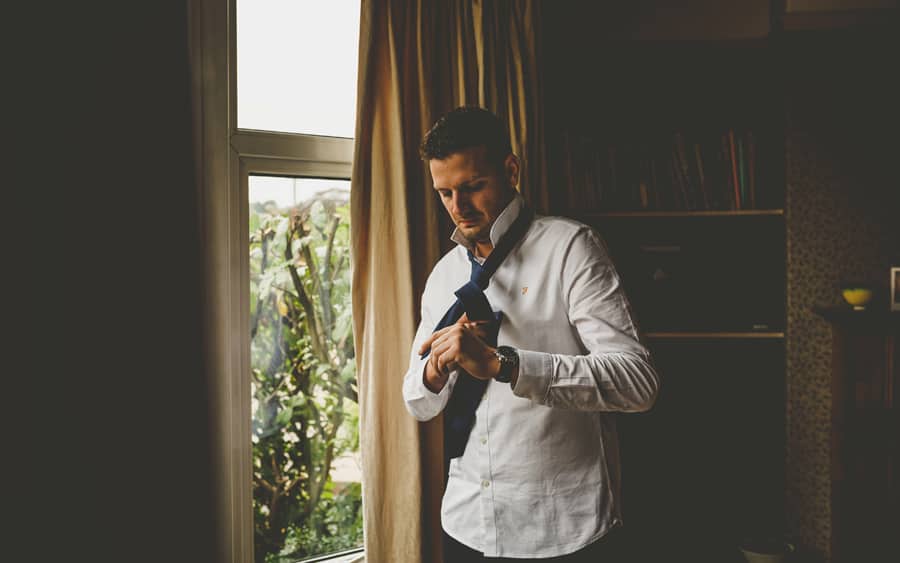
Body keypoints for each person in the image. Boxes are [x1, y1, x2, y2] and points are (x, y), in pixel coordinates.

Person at [402, 106, 660, 562]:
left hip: (561, 528)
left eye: (472, 187)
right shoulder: (444, 275)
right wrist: (435, 373)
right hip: (465, 521)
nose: (458, 208)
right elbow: (417, 402)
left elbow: (637, 383)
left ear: (511, 170)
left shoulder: (571, 249)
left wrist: (506, 365)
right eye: (444, 193)